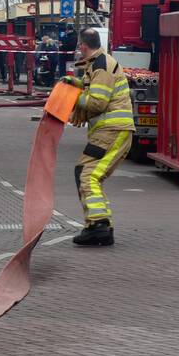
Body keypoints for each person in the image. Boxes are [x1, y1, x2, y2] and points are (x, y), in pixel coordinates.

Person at [60, 28, 134, 246]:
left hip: (112, 131)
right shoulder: (98, 63)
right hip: (108, 131)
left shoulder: (101, 65)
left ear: (83, 45)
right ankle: (97, 225)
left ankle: (99, 225)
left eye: (78, 46)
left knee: (88, 175)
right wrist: (72, 84)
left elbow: (97, 102)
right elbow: (91, 89)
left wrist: (72, 97)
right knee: (83, 171)